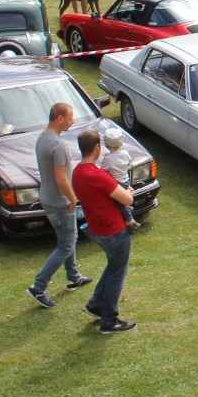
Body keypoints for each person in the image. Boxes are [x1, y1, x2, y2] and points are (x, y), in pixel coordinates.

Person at [26, 103, 91, 308]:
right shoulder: (58, 145)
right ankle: (38, 286)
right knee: (65, 244)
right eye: (70, 117)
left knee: (68, 239)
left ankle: (74, 277)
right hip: (60, 202)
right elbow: (62, 179)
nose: (72, 121)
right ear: (60, 119)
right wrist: (72, 199)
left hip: (47, 198)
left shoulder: (42, 138)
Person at [73, 129, 136, 332]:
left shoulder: (77, 172)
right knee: (118, 272)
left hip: (97, 230)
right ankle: (109, 319)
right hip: (114, 231)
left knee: (112, 266)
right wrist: (127, 190)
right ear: (97, 148)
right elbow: (127, 200)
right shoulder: (98, 176)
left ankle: (95, 304)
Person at [98, 127, 140, 229]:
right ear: (121, 143)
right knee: (121, 200)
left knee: (118, 202)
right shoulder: (125, 154)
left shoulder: (107, 158)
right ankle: (127, 204)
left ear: (107, 145)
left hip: (118, 183)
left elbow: (102, 171)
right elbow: (129, 165)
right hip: (126, 180)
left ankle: (130, 220)